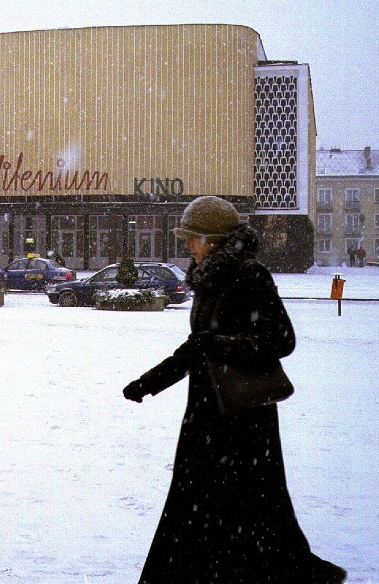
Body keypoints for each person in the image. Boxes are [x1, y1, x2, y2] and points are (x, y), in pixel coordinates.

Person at [121, 196, 346, 584]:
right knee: (199, 505)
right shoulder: (207, 277)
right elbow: (198, 346)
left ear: (214, 237)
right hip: (207, 413)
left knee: (249, 508)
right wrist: (150, 382)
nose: (186, 244)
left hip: (243, 415)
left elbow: (281, 338)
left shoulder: (248, 274)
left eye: (192, 237)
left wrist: (223, 345)